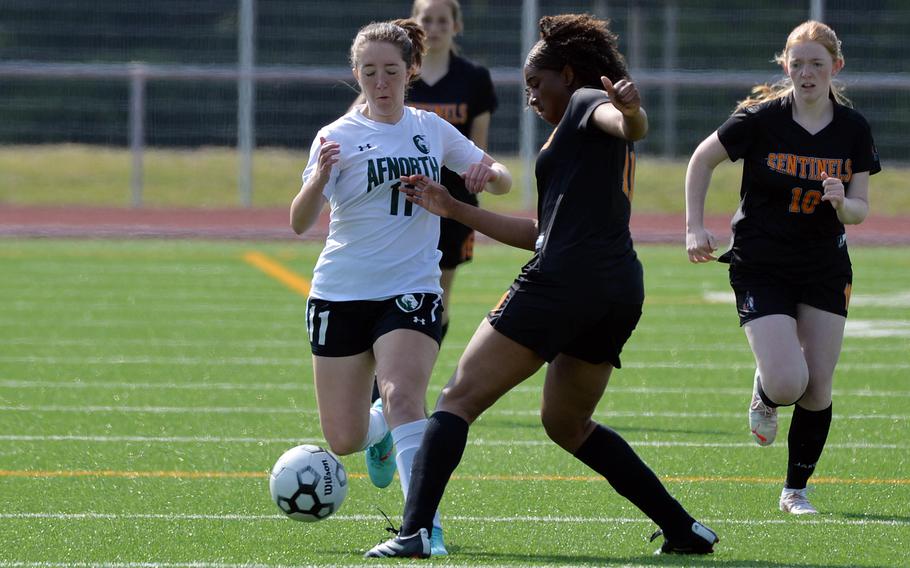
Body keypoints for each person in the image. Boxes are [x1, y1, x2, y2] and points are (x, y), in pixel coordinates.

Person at [365, 14, 718, 558]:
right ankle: (683, 528)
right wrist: (455, 207)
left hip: (563, 283)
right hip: (618, 289)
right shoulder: (573, 137)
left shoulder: (583, 104)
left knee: (456, 399)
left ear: (568, 74)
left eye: (536, 83)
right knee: (566, 422)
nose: (530, 95)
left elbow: (626, 125)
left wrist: (631, 112)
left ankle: (413, 532)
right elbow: (540, 233)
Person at [291, 18, 511, 556]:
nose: (381, 82)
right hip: (340, 292)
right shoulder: (335, 137)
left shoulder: (429, 128)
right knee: (343, 439)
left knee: (403, 394)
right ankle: (379, 429)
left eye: (391, 70)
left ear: (409, 71)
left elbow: (500, 176)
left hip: (412, 287)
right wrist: (318, 180)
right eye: (370, 72)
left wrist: (489, 176)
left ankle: (421, 527)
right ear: (356, 74)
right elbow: (299, 221)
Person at [685, 21, 879, 515]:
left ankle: (795, 490)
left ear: (836, 66)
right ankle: (767, 390)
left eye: (817, 63)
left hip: (823, 265)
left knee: (817, 387)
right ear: (785, 67)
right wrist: (694, 227)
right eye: (797, 64)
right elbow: (701, 160)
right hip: (761, 262)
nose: (807, 73)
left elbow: (861, 209)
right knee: (789, 382)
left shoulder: (852, 128)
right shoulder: (759, 120)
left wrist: (841, 203)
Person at [363, 0, 499, 406]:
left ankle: (406, 386)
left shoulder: (474, 78)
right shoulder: (402, 74)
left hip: (452, 206)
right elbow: (362, 118)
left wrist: (481, 180)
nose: (435, 27)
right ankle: (383, 387)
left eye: (443, 20)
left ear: (456, 25)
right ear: (415, 23)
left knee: (434, 301)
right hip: (397, 207)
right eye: (427, 19)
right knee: (382, 297)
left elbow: (478, 150)